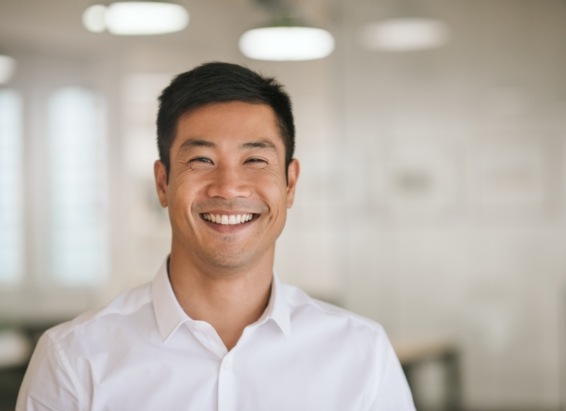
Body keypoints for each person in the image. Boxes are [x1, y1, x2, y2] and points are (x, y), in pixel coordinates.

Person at [16, 62, 415, 410]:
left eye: (255, 160)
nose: (228, 187)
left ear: (290, 184)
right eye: (202, 160)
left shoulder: (361, 352)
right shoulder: (74, 358)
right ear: (163, 183)